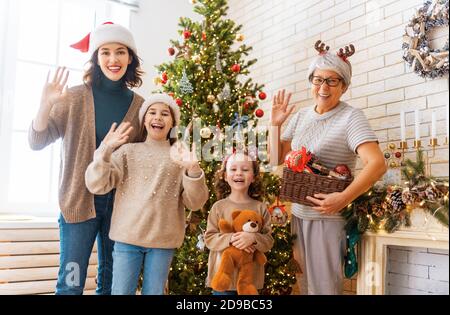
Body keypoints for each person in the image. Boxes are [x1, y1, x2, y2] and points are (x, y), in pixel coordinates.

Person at [28, 22, 145, 295]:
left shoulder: (141, 107)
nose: (113, 59)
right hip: (77, 204)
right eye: (105, 52)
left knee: (111, 284)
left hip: (121, 209)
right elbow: (36, 141)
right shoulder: (75, 97)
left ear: (130, 58)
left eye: (120, 52)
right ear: (95, 58)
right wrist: (45, 105)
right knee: (71, 283)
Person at [269, 40, 387, 295]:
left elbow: (377, 164)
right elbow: (276, 159)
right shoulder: (301, 115)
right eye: (318, 79)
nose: (323, 87)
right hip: (298, 213)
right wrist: (275, 124)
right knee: (305, 285)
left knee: (324, 289)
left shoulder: (351, 117)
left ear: (343, 86)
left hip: (327, 217)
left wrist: (343, 198)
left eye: (332, 81)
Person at [85, 93, 209, 295]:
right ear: (144, 120)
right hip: (127, 239)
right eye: (152, 112)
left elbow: (195, 203)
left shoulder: (180, 156)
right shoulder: (127, 152)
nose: (158, 117)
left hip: (162, 242)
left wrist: (193, 169)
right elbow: (96, 185)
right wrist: (105, 151)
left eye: (165, 114)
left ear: (172, 123)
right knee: (121, 291)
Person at [204, 151, 274, 295]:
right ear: (225, 176)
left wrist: (253, 239)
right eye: (233, 169)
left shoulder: (260, 208)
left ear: (253, 177)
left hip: (249, 283)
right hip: (223, 281)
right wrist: (231, 238)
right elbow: (210, 238)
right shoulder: (218, 207)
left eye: (245, 169)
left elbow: (268, 241)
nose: (239, 173)